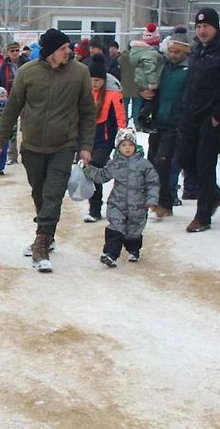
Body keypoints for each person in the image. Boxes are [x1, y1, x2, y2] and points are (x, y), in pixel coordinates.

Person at [0, 28, 95, 273]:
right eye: (63, 48)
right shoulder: (28, 72)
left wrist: (86, 146)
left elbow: (88, 112)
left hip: (63, 145)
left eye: (68, 48)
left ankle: (41, 244)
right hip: (32, 146)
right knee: (39, 193)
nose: (68, 52)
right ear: (50, 52)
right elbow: (11, 109)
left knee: (53, 194)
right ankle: (47, 233)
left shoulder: (80, 73)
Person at [177, 7, 220, 233]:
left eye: (206, 26)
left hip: (212, 117)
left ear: (215, 27)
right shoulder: (198, 50)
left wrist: (218, 114)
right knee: (185, 159)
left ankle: (202, 216)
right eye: (198, 27)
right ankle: (214, 194)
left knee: (205, 164)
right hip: (191, 115)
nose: (201, 31)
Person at [84, 128, 160, 267]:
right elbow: (101, 176)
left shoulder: (144, 164)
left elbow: (153, 183)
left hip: (138, 206)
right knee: (115, 228)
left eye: (130, 144)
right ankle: (110, 254)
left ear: (135, 146)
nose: (127, 148)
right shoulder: (114, 163)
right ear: (118, 147)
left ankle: (133, 249)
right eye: (123, 145)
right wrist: (87, 169)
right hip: (117, 203)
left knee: (133, 232)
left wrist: (152, 199)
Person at [147, 33, 189, 218]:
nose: (173, 55)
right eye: (171, 51)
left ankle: (165, 202)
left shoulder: (188, 70)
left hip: (175, 123)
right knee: (152, 161)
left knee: (162, 161)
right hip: (159, 120)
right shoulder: (165, 68)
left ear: (185, 52)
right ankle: (158, 200)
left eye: (177, 52)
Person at [84, 54, 127, 223]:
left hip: (105, 139)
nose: (94, 83)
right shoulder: (85, 93)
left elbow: (120, 117)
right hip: (88, 138)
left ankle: (96, 209)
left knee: (95, 167)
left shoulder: (113, 94)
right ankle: (94, 207)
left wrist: (123, 137)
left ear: (104, 80)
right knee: (89, 170)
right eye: (91, 80)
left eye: (97, 80)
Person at [130, 23, 164, 131]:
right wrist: (153, 82)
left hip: (141, 81)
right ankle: (143, 119)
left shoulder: (140, 51)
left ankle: (143, 120)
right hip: (148, 82)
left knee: (146, 102)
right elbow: (150, 68)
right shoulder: (151, 53)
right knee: (152, 101)